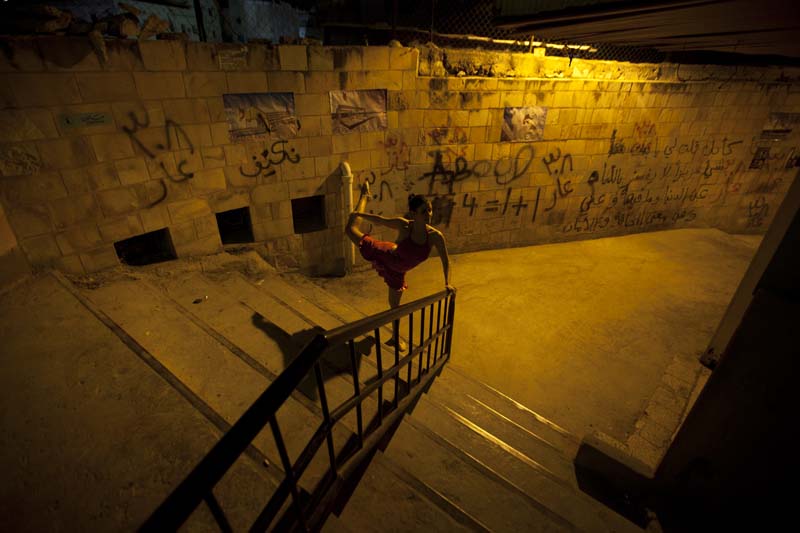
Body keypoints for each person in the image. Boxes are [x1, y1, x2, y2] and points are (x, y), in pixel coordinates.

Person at [345, 181, 453, 351]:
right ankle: (364, 197)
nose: (429, 215)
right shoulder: (404, 225)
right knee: (350, 229)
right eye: (424, 211)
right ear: (413, 213)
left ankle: (395, 338)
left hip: (398, 271)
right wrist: (359, 213)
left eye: (430, 210)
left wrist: (447, 282)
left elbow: (446, 261)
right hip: (385, 254)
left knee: (394, 307)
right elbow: (380, 220)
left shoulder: (435, 237)